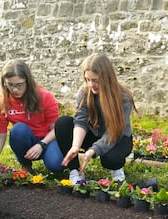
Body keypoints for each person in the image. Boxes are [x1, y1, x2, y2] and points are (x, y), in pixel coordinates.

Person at [54, 53, 136, 184]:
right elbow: (80, 120)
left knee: (111, 159)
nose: (91, 84)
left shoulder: (124, 97)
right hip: (94, 133)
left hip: (118, 137)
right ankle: (75, 172)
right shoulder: (85, 92)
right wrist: (75, 146)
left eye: (95, 80)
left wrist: (93, 150)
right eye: (87, 80)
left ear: (106, 78)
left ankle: (117, 168)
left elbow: (113, 132)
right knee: (62, 123)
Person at [0, 59, 63, 173]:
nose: (14, 89)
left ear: (27, 81)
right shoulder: (1, 101)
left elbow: (56, 130)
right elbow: (0, 136)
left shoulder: (45, 97)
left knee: (56, 166)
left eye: (19, 85)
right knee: (18, 130)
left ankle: (66, 155)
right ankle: (25, 164)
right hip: (25, 139)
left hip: (48, 139)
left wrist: (41, 144)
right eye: (10, 85)